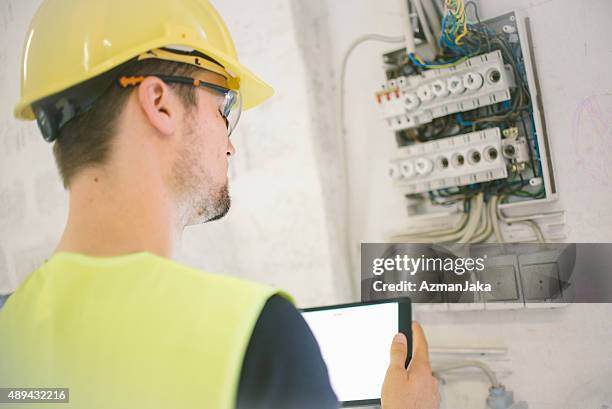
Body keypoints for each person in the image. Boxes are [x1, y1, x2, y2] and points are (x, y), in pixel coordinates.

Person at [0, 0, 440, 408]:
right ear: (160, 103)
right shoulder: (258, 336)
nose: (230, 145)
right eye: (222, 105)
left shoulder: (9, 331)